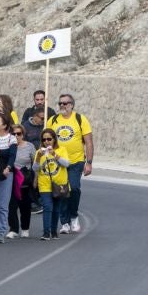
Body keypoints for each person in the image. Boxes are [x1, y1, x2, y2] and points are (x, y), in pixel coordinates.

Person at [48, 94, 94, 233]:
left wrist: (89, 162)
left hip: (76, 161)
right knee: (61, 192)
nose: (62, 105)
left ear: (72, 105)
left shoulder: (80, 119)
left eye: (66, 103)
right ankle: (65, 223)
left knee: (73, 189)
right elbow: (46, 138)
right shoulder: (53, 120)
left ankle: (73, 216)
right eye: (60, 103)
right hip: (58, 162)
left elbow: (89, 142)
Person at [35, 132, 71, 239]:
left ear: (54, 139)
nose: (46, 142)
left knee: (56, 209)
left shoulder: (62, 150)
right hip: (44, 184)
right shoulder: (39, 152)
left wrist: (54, 154)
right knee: (47, 207)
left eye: (49, 139)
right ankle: (46, 232)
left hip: (59, 185)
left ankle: (54, 231)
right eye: (44, 140)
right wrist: (38, 157)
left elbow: (66, 164)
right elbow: (35, 168)